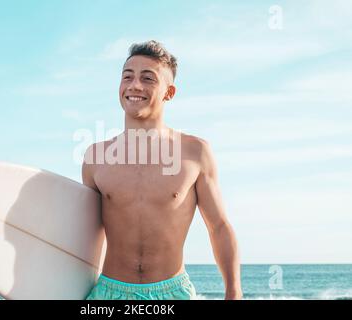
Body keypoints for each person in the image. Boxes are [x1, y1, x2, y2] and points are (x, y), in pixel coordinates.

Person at [82, 40, 242, 300]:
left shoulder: (195, 152)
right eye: (127, 77)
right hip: (108, 294)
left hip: (172, 292)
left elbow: (219, 227)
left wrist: (233, 291)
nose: (135, 86)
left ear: (169, 92)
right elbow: (84, 234)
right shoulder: (95, 157)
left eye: (148, 78)